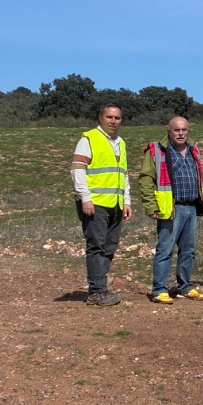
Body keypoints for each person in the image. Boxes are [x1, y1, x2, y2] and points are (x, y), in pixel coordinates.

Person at [139, 117, 203, 304]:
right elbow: (146, 179)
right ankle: (159, 289)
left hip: (191, 207)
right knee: (165, 249)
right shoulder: (157, 150)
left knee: (188, 250)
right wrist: (151, 205)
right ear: (169, 131)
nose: (181, 133)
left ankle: (185, 286)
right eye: (177, 130)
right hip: (171, 208)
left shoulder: (193, 149)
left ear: (189, 131)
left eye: (184, 130)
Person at [70, 102, 131, 306]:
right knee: (96, 246)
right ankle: (97, 292)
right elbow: (78, 170)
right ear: (100, 117)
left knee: (109, 246)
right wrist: (85, 197)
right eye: (109, 117)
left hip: (115, 203)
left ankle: (101, 287)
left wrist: (127, 201)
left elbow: (123, 175)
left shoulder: (120, 143)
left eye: (117, 118)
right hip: (95, 203)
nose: (113, 121)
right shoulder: (89, 139)